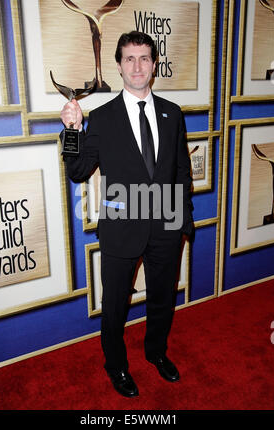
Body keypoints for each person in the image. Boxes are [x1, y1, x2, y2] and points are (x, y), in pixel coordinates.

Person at [60, 31, 194, 398]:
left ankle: (156, 353)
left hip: (166, 225)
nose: (138, 66)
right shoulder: (102, 118)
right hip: (121, 226)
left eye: (145, 58)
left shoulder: (172, 113)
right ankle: (116, 366)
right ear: (118, 66)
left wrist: (183, 220)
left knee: (163, 298)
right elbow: (77, 171)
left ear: (154, 65)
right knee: (115, 304)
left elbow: (182, 171)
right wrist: (72, 130)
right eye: (130, 59)